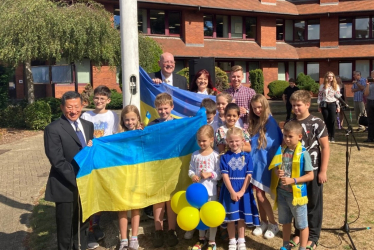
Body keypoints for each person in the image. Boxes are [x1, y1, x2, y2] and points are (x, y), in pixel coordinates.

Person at [44, 91, 94, 250]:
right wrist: (76, 179)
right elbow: (57, 160)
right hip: (65, 185)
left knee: (83, 223)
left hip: (86, 184)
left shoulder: (88, 126)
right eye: (69, 107)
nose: (73, 111)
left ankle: (82, 247)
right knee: (66, 227)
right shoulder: (53, 129)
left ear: (82, 106)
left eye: (77, 107)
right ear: (62, 107)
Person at [289, 90, 329, 250]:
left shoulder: (317, 122)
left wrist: (323, 171)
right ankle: (299, 231)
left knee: (313, 202)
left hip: (312, 169)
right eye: (293, 105)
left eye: (298, 105)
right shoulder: (291, 122)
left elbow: (325, 147)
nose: (295, 108)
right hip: (295, 171)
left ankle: (313, 235)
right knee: (298, 202)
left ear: (307, 104)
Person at [80, 85, 119, 249]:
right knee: (91, 191)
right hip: (90, 160)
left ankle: (96, 222)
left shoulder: (113, 116)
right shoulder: (86, 115)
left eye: (103, 99)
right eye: (96, 98)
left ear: (108, 100)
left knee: (102, 191)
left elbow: (117, 135)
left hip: (106, 160)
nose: (99, 101)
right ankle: (90, 228)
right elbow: (81, 136)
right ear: (93, 98)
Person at [270, 121, 314, 250]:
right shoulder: (282, 150)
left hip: (297, 195)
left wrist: (293, 180)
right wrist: (277, 172)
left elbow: (310, 175)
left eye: (290, 136)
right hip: (282, 193)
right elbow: (275, 168)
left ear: (299, 136)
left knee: (302, 224)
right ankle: (285, 245)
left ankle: (303, 247)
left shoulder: (303, 153)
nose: (287, 139)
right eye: (285, 136)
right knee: (285, 221)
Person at [247, 94, 283, 239]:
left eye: (259, 107)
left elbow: (274, 146)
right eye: (254, 108)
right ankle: (263, 222)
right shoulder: (256, 122)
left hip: (265, 165)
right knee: (258, 194)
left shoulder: (271, 123)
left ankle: (273, 223)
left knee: (261, 195)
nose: (257, 110)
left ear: (265, 106)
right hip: (255, 164)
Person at [219, 127, 260, 250]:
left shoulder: (247, 157)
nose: (234, 144)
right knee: (231, 217)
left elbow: (249, 175)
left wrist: (242, 191)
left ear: (242, 140)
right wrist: (232, 192)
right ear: (227, 141)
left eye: (237, 141)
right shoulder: (224, 157)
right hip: (229, 190)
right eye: (231, 141)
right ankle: (232, 241)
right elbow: (225, 175)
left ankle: (241, 240)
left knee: (241, 217)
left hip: (244, 190)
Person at [147, 92, 179, 248]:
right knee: (158, 199)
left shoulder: (178, 124)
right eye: (160, 109)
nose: (163, 112)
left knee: (170, 200)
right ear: (156, 109)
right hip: (157, 168)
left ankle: (171, 230)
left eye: (166, 108)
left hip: (173, 168)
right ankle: (158, 231)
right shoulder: (151, 126)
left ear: (172, 107)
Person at [186, 125, 220, 250]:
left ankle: (212, 240)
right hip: (197, 194)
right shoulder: (195, 155)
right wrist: (193, 175)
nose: (201, 143)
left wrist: (210, 174)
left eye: (204, 140)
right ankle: (201, 239)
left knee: (210, 216)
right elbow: (190, 169)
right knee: (200, 215)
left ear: (211, 139)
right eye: (199, 140)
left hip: (211, 192)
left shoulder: (215, 156)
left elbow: (220, 173)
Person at [115, 105, 143, 250]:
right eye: (127, 120)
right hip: (123, 176)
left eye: (132, 119)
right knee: (123, 207)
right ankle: (124, 239)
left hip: (137, 175)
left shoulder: (142, 132)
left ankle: (134, 237)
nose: (130, 122)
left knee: (136, 207)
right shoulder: (118, 136)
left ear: (138, 118)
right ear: (123, 120)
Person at [226, 65, 256, 129]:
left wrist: (247, 111)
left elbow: (257, 110)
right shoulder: (225, 93)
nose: (236, 79)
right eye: (233, 76)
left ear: (242, 77)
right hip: (229, 128)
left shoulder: (250, 92)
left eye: (238, 76)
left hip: (245, 128)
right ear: (230, 77)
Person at [317, 72, 340, 143]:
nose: (330, 78)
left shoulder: (336, 86)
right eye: (329, 77)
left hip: (333, 103)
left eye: (331, 76)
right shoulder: (322, 86)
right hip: (324, 104)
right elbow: (320, 96)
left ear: (333, 78)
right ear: (326, 77)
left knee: (332, 120)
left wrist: (338, 106)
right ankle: (327, 135)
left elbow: (338, 97)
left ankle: (332, 136)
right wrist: (319, 105)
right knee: (326, 120)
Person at [364, 70, 374, 142]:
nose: (372, 75)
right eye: (372, 74)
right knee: (370, 121)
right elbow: (366, 94)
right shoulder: (369, 84)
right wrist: (367, 84)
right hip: (370, 102)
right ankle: (370, 138)